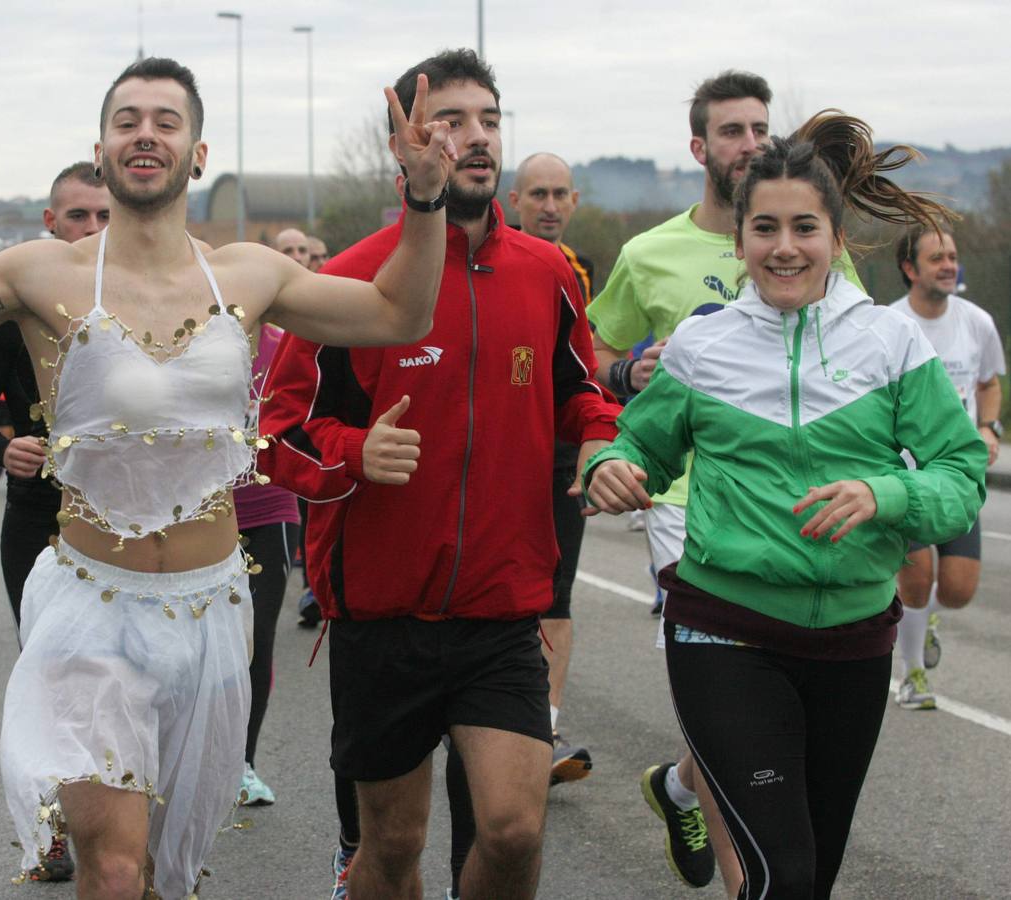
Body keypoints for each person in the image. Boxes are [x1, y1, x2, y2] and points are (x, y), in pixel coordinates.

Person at [0, 57, 452, 899]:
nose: (146, 134)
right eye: (126, 121)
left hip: (210, 611)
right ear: (102, 151)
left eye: (166, 120)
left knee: (165, 871)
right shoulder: (40, 275)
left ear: (198, 154)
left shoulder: (250, 274)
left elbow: (400, 313)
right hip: (93, 610)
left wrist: (425, 198)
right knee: (115, 865)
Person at [584, 111, 986, 900]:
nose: (784, 247)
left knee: (812, 877)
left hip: (853, 641)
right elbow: (640, 445)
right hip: (724, 631)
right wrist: (612, 465)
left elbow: (961, 474)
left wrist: (885, 492)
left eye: (805, 227)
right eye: (764, 228)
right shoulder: (703, 345)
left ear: (837, 239)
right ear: (738, 243)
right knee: (781, 877)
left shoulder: (891, 343)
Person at [259, 49, 619, 900]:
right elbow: (279, 434)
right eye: (451, 121)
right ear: (406, 144)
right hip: (382, 617)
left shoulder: (547, 273)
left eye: (488, 120)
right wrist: (355, 454)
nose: (477, 137)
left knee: (514, 829)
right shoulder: (348, 279)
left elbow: (581, 392)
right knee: (392, 848)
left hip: (502, 611)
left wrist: (604, 443)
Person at [588, 69, 857, 893]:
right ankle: (749, 879)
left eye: (759, 128)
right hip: (683, 499)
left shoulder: (815, 242)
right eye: (731, 131)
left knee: (766, 700)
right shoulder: (648, 253)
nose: (748, 143)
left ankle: (680, 788)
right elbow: (595, 355)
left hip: (790, 497)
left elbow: (858, 350)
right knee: (728, 668)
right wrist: (630, 373)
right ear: (699, 147)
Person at [0, 161, 107, 629]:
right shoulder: (12, 308)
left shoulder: (151, 301)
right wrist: (3, 450)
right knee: (44, 657)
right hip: (37, 512)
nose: (93, 229)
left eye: (105, 216)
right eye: (78, 216)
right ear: (51, 221)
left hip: (125, 516)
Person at [889, 227, 1006, 710]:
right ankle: (913, 675)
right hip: (906, 476)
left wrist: (990, 428)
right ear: (910, 268)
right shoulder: (890, 325)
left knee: (957, 591)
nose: (949, 265)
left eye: (953, 256)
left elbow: (989, 384)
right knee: (917, 580)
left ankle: (922, 620)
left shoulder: (977, 322)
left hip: (957, 474)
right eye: (937, 257)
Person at [508, 151, 596, 785]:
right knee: (506, 593)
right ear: (514, 201)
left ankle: (544, 732)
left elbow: (589, 367)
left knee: (557, 596)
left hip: (561, 452)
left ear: (574, 201)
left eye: (560, 194)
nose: (549, 205)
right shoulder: (501, 261)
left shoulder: (579, 272)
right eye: (537, 193)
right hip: (505, 449)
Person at [234, 323, 301, 808]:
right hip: (199, 510)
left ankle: (243, 764)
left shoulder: (285, 346)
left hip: (270, 507)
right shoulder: (194, 338)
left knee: (256, 637)